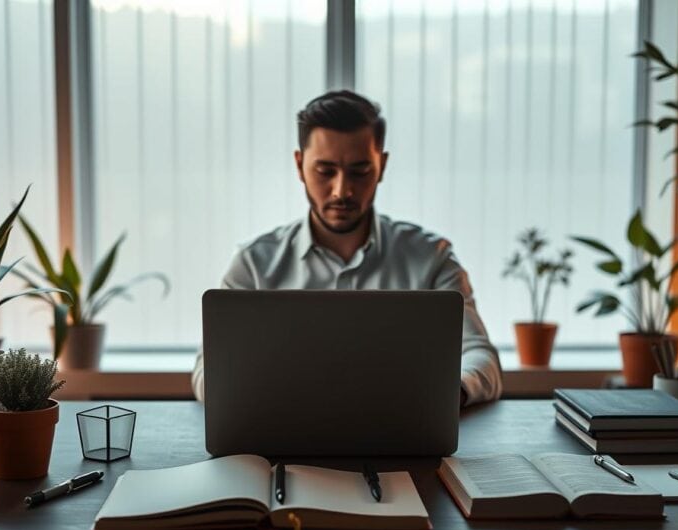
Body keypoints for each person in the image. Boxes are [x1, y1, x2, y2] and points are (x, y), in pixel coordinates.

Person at [192, 90, 502, 407]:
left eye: (360, 171)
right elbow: (208, 372)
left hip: (402, 448)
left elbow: (480, 355)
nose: (342, 190)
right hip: (280, 450)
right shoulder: (254, 264)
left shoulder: (431, 258)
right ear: (300, 165)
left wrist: (447, 394)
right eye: (325, 171)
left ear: (381, 165)